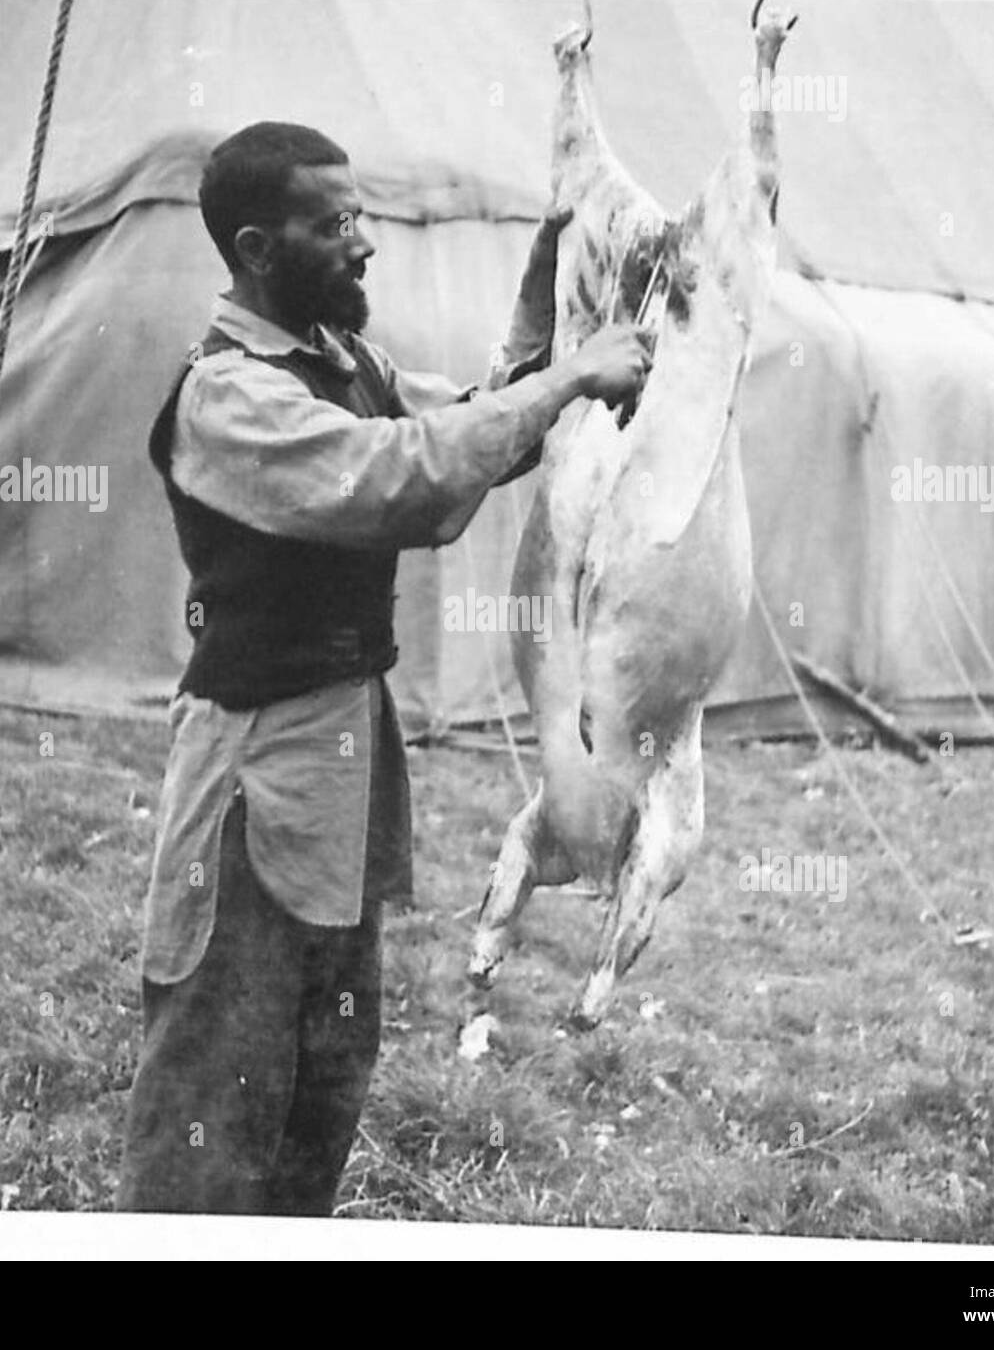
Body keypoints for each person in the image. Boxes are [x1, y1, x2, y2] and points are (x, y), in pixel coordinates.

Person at [115, 121, 651, 1215]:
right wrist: (566, 387)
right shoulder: (230, 397)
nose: (363, 244)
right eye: (336, 223)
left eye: (361, 218)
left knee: (323, 1077)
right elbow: (400, 476)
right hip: (254, 782)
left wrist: (545, 312)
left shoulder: (340, 361)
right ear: (259, 247)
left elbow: (467, 425)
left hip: (340, 764)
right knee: (222, 1081)